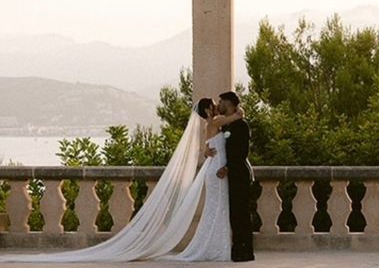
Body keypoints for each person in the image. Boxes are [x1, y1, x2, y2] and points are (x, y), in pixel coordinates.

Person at [0, 97, 245, 263]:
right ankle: (214, 247)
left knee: (219, 208)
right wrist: (239, 113)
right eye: (213, 104)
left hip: (216, 168)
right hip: (216, 173)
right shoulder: (215, 122)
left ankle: (216, 246)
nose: (216, 106)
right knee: (217, 208)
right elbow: (235, 118)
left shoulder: (211, 125)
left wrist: (207, 152)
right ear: (207, 111)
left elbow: (209, 145)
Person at [205, 91, 255, 262]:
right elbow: (215, 145)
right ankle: (236, 247)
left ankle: (246, 250)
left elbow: (241, 152)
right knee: (234, 212)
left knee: (242, 212)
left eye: (222, 102)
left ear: (231, 103)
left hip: (239, 173)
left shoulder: (242, 125)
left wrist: (227, 167)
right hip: (229, 175)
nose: (219, 104)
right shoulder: (225, 125)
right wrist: (207, 150)